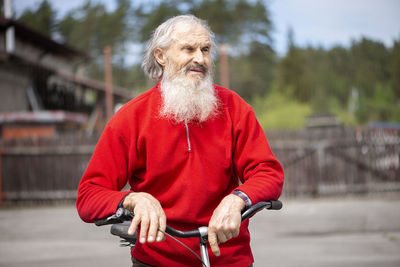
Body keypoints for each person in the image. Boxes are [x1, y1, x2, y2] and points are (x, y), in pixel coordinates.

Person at [77, 14, 284, 267]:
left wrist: (238, 198)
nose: (200, 59)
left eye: (205, 50)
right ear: (161, 56)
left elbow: (268, 172)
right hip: (157, 260)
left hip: (228, 259)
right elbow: (88, 196)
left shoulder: (234, 107)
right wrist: (132, 199)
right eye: (188, 49)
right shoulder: (131, 117)